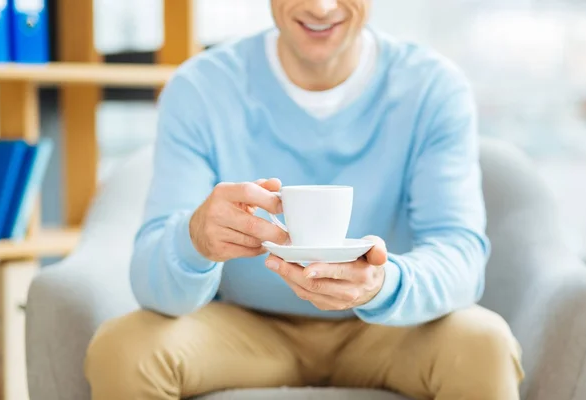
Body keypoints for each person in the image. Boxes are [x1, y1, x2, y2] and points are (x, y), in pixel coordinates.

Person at [84, 1, 525, 399]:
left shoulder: (432, 87)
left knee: (485, 344)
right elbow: (149, 281)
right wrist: (194, 238)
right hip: (245, 328)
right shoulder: (200, 87)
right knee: (122, 348)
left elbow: (460, 256)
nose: (320, 7)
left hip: (389, 329)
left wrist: (381, 284)